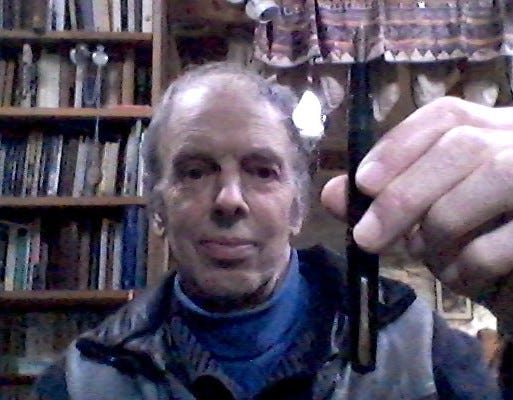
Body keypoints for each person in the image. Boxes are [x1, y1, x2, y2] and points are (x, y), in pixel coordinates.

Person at [35, 62, 513, 399]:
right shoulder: (84, 380)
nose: (229, 199)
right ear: (157, 208)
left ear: (297, 207)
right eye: (195, 172)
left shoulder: (417, 345)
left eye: (262, 171)